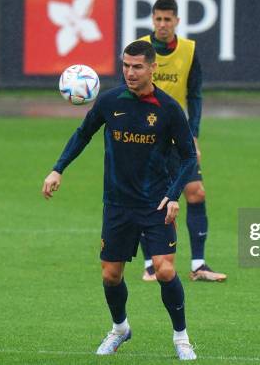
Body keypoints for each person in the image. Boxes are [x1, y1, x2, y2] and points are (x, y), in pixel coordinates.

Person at [42, 40, 197, 361]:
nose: (130, 72)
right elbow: (82, 133)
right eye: (126, 65)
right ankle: (120, 329)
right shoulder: (110, 101)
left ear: (153, 68)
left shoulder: (168, 109)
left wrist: (173, 195)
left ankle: (181, 337)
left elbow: (188, 158)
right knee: (111, 275)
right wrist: (57, 169)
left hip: (155, 203)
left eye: (137, 66)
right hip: (117, 204)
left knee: (164, 270)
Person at [138, 0, 226, 282]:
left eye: (168, 19)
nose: (162, 25)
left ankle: (198, 265)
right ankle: (150, 264)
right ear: (152, 20)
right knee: (147, 198)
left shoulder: (189, 50)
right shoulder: (140, 49)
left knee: (196, 192)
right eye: (158, 19)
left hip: (178, 136)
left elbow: (195, 94)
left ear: (177, 21)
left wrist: (195, 134)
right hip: (146, 136)